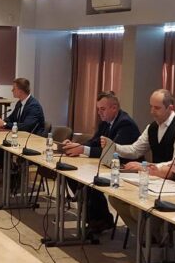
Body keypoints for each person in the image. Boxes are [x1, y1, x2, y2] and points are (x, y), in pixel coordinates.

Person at [102, 89, 175, 237]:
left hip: (172, 185)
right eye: (151, 107)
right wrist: (113, 146)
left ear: (170, 108)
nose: (152, 112)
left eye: (157, 108)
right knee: (115, 199)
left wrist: (145, 166)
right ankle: (148, 238)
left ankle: (155, 239)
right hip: (153, 180)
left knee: (136, 209)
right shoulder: (152, 127)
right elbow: (135, 150)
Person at [60, 91, 140, 234]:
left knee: (92, 180)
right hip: (108, 166)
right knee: (72, 173)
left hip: (126, 169)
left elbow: (112, 152)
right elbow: (94, 141)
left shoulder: (125, 124)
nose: (99, 113)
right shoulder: (105, 122)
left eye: (102, 109)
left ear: (114, 108)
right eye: (98, 109)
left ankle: (101, 220)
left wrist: (82, 150)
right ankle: (95, 219)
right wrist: (76, 145)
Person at [0, 78, 45, 169]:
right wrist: (2, 121)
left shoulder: (34, 106)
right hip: (19, 138)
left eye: (14, 88)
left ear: (20, 91)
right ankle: (12, 170)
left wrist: (5, 124)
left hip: (31, 141)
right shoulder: (20, 103)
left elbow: (26, 126)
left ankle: (13, 171)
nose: (12, 90)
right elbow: (11, 118)